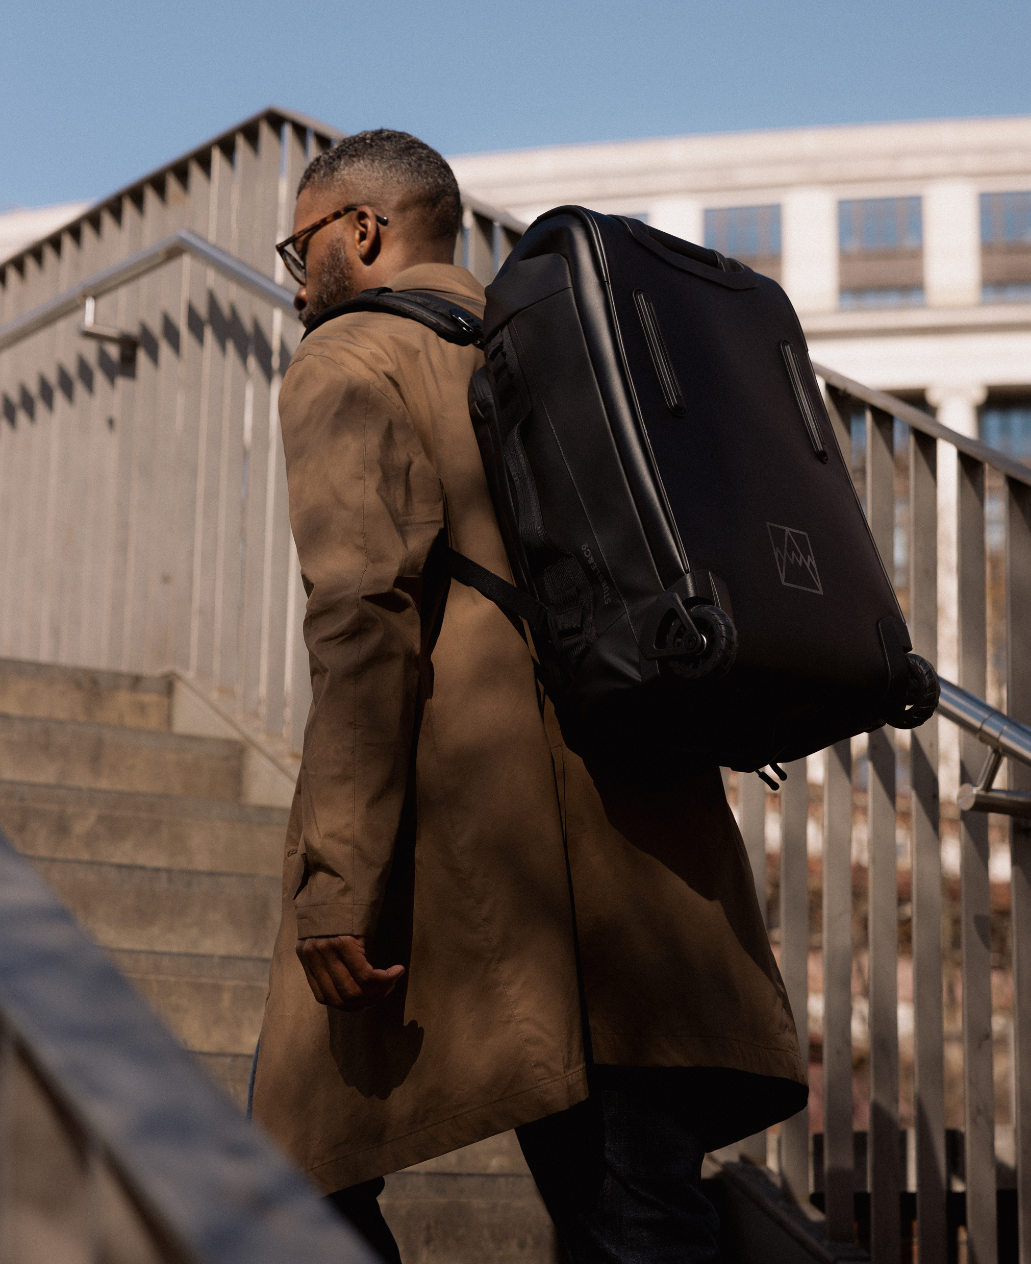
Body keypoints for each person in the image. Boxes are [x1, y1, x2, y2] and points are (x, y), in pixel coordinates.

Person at [251, 129, 807, 1264]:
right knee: (638, 1204)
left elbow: (363, 623)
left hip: (479, 839)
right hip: (646, 833)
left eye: (297, 243)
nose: (293, 270)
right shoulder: (560, 348)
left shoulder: (349, 360)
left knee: (303, 1171)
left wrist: (336, 877)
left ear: (360, 230)